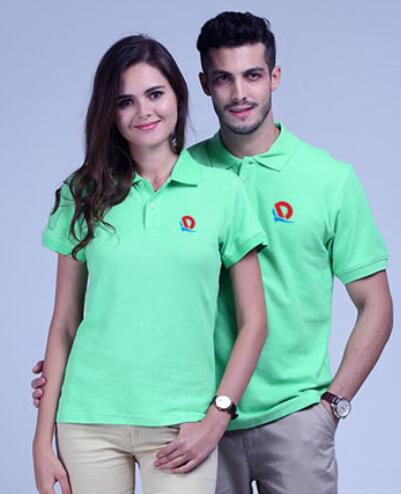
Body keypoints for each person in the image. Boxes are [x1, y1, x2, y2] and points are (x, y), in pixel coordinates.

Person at [32, 11, 394, 494]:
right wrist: (69, 374)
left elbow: (376, 305)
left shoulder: (328, 180)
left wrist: (331, 405)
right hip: (191, 417)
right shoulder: (173, 169)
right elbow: (110, 301)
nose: (239, 93)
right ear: (203, 84)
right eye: (224, 78)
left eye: (252, 75)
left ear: (275, 76)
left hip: (291, 415)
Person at [32, 34, 268, 494]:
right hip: (88, 421)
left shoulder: (223, 192)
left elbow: (254, 321)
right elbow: (64, 324)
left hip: (182, 424)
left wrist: (218, 416)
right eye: (125, 101)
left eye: (155, 94)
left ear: (178, 95)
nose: (144, 111)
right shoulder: (82, 193)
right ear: (109, 112)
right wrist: (42, 442)